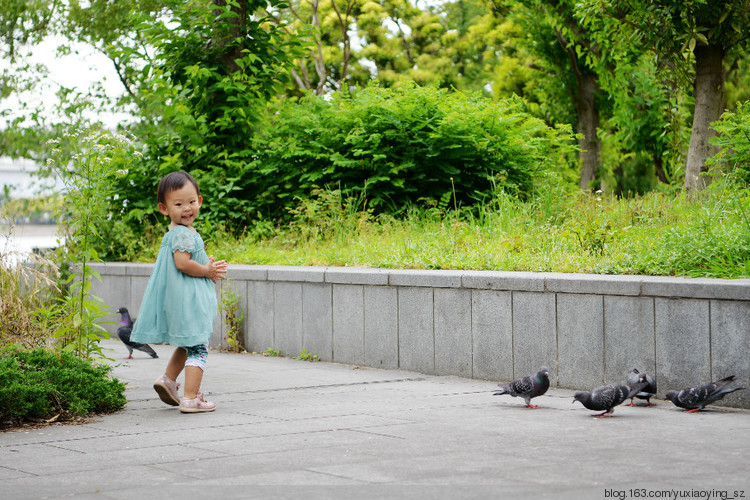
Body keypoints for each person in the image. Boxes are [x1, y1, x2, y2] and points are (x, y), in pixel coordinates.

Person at [130, 171, 228, 413]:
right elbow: (182, 264)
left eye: (191, 202)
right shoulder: (183, 233)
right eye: (179, 204)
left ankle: (168, 381)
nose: (187, 208)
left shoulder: (175, 231)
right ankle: (191, 398)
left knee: (187, 343)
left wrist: (207, 268)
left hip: (181, 299)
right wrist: (206, 270)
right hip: (189, 301)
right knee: (199, 347)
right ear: (164, 209)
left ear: (200, 201)